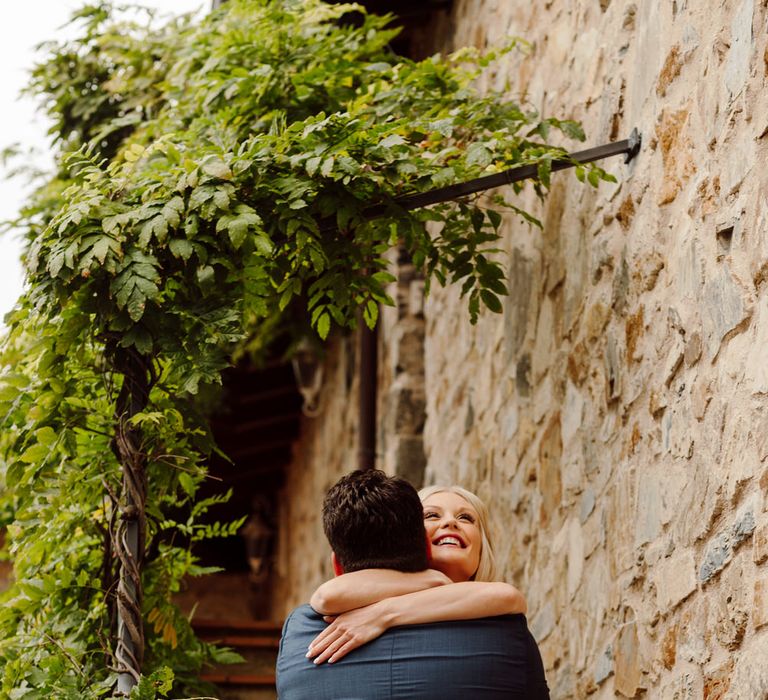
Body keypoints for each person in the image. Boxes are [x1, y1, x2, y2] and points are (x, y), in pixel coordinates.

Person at [276, 470, 550, 699]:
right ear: (412, 537)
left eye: (466, 517)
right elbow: (327, 596)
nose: (450, 523)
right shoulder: (506, 632)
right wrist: (429, 580)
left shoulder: (501, 617)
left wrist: (384, 614)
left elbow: (507, 596)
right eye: (431, 515)